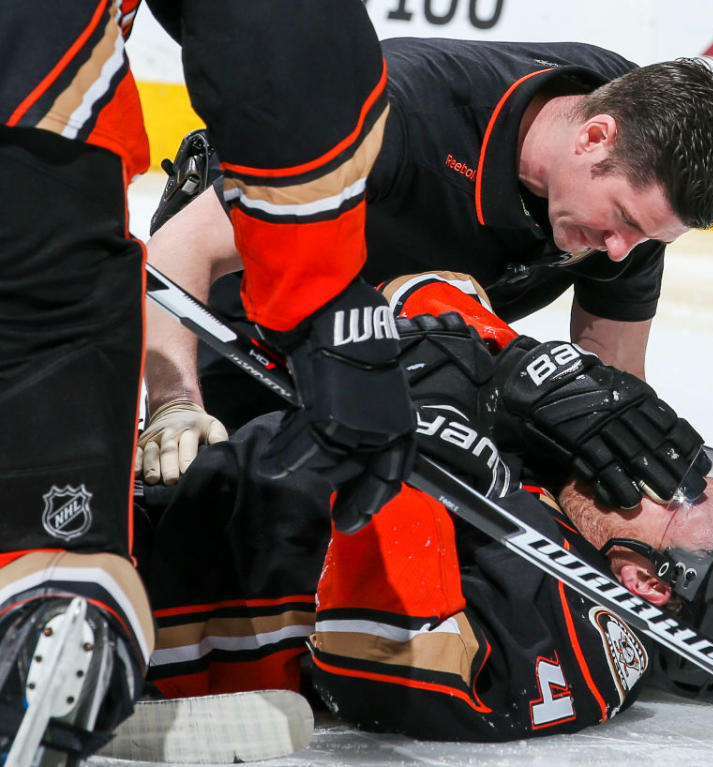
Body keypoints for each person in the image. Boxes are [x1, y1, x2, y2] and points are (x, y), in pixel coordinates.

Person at [135, 273, 713, 743]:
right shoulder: (573, 488)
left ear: (648, 583)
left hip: (137, 600)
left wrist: (426, 437)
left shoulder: (592, 644)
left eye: (681, 493)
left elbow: (375, 651)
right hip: (159, 491)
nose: (654, 469)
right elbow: (433, 288)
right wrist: (517, 368)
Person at [0, 1, 414, 763]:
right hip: (30, 146)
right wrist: (324, 301)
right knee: (47, 565)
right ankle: (43, 611)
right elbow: (271, 24)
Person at [138, 36, 713, 488]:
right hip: (242, 323)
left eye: (649, 242)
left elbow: (612, 373)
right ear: (593, 138)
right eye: (625, 223)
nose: (621, 253)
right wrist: (173, 403)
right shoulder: (398, 116)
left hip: (392, 343)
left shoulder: (635, 161)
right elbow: (178, 252)